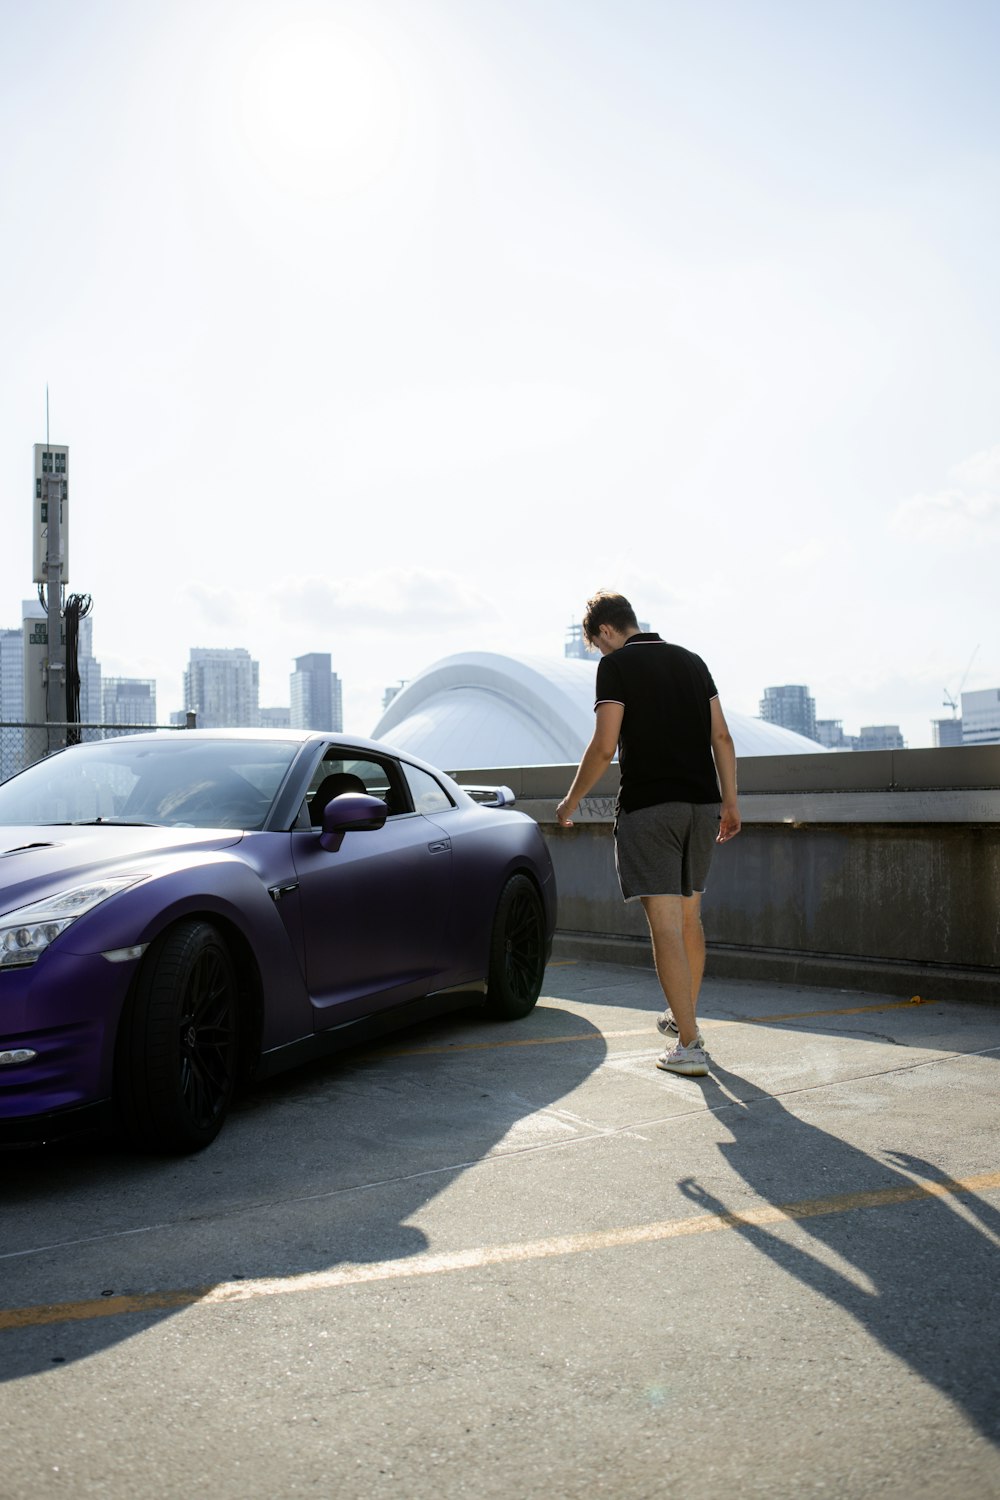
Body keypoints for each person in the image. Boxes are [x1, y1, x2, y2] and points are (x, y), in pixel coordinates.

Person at [556, 591, 741, 1077]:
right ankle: (686, 1022)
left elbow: (604, 746)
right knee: (688, 919)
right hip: (702, 805)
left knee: (663, 925)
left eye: (597, 644)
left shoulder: (616, 667)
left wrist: (571, 801)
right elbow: (721, 736)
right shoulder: (692, 662)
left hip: (650, 808)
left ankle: (689, 1043)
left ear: (606, 631)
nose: (600, 653)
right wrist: (731, 801)